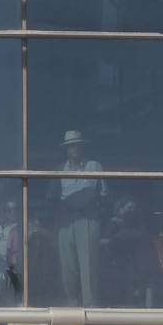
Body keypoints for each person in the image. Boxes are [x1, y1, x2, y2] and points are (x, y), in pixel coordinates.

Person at [54, 130, 105, 306]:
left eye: (77, 145)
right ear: (66, 149)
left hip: (87, 218)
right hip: (66, 219)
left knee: (88, 263)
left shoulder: (94, 166)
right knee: (67, 265)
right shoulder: (59, 169)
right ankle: (72, 303)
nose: (74, 148)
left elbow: (103, 194)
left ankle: (90, 304)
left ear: (82, 146)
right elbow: (52, 197)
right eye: (71, 146)